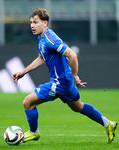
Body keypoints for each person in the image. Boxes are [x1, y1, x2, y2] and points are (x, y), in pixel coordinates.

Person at [12, 8, 117, 144]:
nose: (32, 25)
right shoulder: (42, 38)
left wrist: (74, 76)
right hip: (65, 81)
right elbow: (41, 58)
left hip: (60, 82)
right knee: (78, 107)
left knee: (27, 102)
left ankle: (34, 132)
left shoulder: (50, 39)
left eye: (35, 22)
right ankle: (108, 124)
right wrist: (23, 72)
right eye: (31, 22)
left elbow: (72, 55)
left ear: (45, 23)